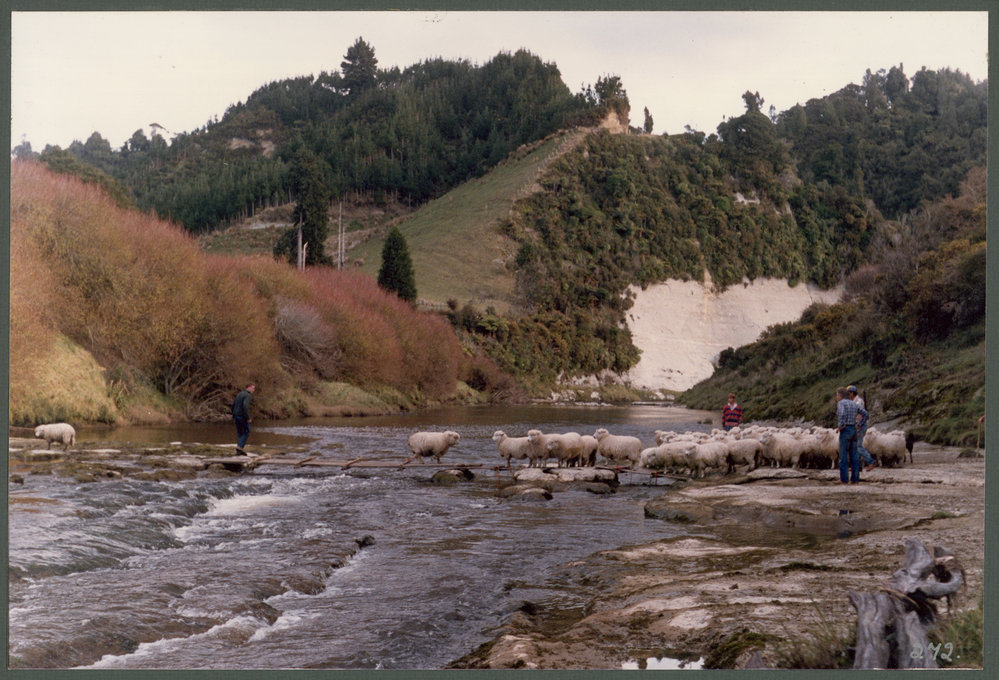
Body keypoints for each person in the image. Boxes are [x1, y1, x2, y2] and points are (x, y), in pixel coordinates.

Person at [836, 386, 868, 484]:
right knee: (854, 455)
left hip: (845, 430)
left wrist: (841, 425)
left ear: (840, 396)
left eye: (837, 395)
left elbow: (841, 414)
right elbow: (866, 414)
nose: (836, 397)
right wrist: (859, 425)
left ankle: (844, 479)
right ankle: (855, 479)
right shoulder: (854, 404)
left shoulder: (841, 403)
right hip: (854, 429)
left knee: (844, 455)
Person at [848, 385, 878, 471]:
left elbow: (861, 415)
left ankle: (871, 461)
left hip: (860, 426)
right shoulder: (853, 401)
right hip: (856, 425)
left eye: (849, 393)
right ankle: (858, 466)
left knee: (858, 446)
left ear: (852, 393)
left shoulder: (858, 402)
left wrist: (858, 427)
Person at [232, 383, 256, 454]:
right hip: (242, 416)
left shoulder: (239, 394)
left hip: (236, 415)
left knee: (240, 433)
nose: (253, 390)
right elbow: (245, 407)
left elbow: (233, 405)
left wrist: (233, 414)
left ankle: (239, 450)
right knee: (246, 432)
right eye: (253, 388)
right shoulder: (247, 395)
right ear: (248, 387)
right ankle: (240, 447)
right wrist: (248, 418)